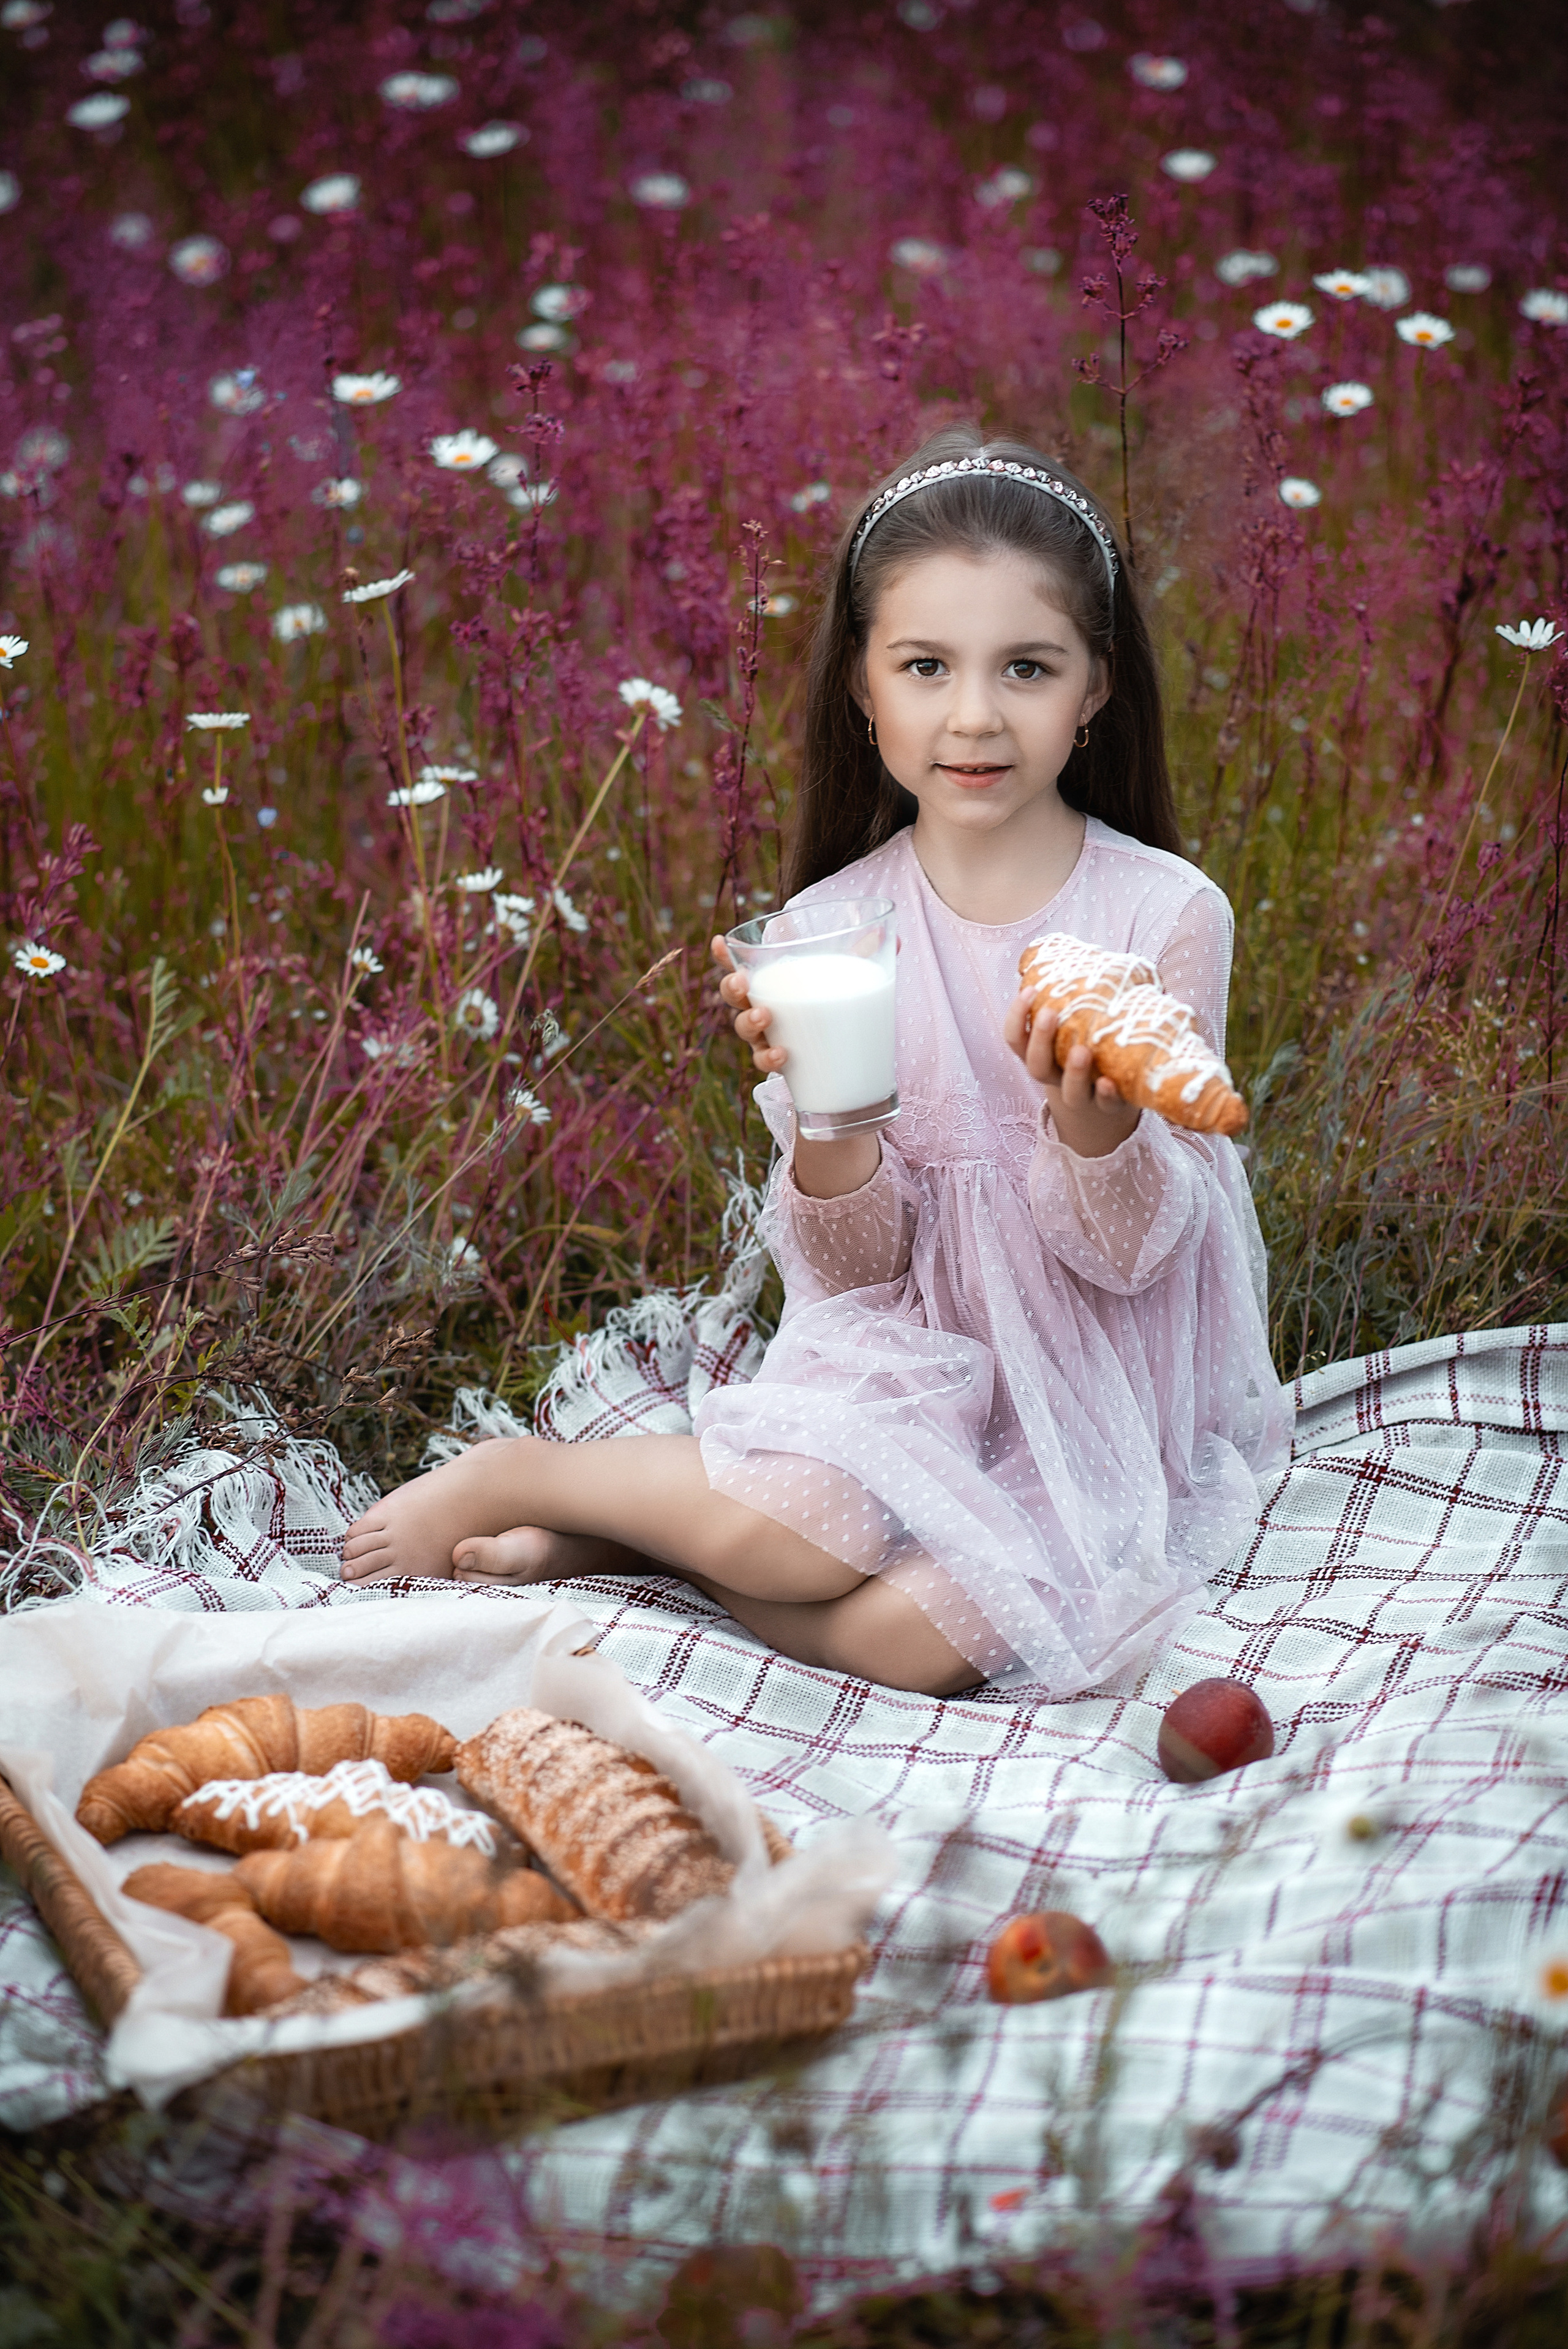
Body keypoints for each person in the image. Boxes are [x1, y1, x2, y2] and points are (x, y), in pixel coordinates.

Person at [340, 424, 1292, 1700]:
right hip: (896, 1360)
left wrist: (1094, 1129)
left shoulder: (1161, 915)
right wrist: (834, 1124)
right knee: (789, 1540)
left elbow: (1133, 1261)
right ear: (862, 685)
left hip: (1087, 1383)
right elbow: (855, 1277)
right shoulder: (826, 932)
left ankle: (627, 1545)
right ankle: (529, 1473)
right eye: (924, 666)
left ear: (1095, 689)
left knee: (910, 1642)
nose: (973, 714)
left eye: (1025, 667)